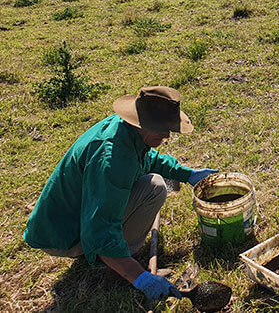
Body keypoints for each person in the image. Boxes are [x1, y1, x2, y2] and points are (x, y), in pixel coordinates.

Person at [23, 86, 217, 301]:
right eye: (162, 128)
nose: (167, 135)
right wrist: (139, 277)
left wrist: (187, 174)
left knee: (154, 183)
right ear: (142, 124)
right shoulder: (112, 160)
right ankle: (117, 269)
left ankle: (115, 259)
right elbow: (100, 231)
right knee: (154, 188)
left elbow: (147, 160)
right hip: (63, 235)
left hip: (75, 217)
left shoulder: (125, 131)